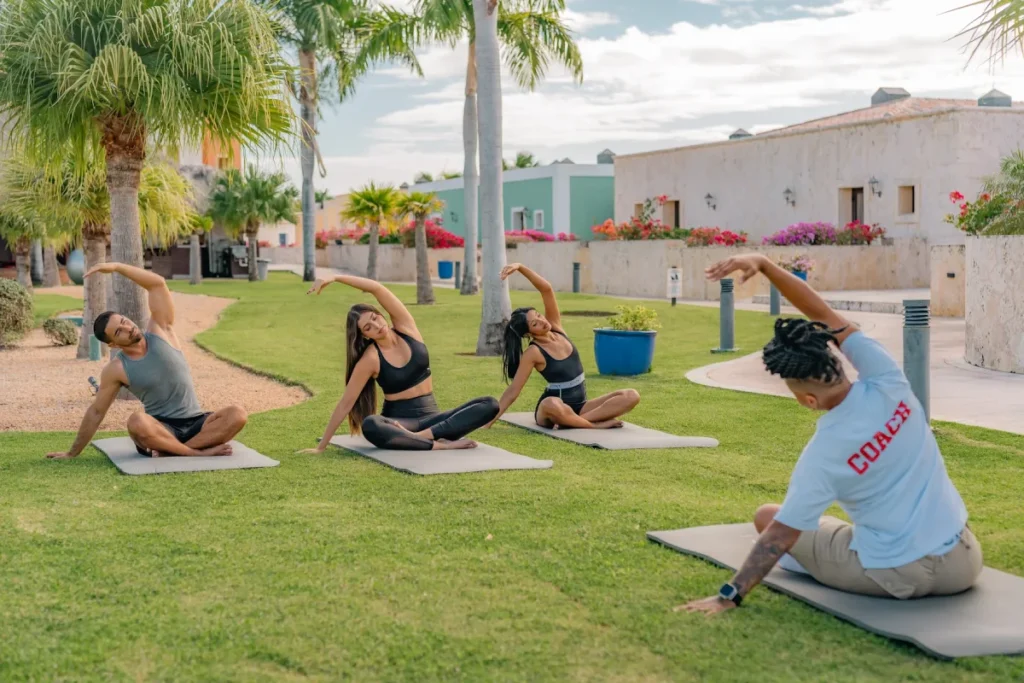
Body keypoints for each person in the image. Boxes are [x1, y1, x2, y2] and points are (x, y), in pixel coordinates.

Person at [679, 253, 981, 615]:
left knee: (766, 516)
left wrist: (730, 594)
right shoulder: (887, 378)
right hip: (963, 562)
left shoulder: (823, 454)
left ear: (808, 400)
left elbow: (779, 534)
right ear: (837, 359)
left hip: (896, 576)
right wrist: (764, 263)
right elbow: (823, 314)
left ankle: (819, 561)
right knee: (816, 524)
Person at [46, 262, 248, 460]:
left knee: (237, 414)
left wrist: (116, 267)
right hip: (161, 429)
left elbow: (157, 284)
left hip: (197, 423)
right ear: (114, 345)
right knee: (136, 422)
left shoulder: (161, 329)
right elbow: (97, 412)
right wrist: (72, 453)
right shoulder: (116, 368)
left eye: (124, 321)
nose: (128, 328)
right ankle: (195, 452)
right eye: (119, 332)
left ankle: (176, 451)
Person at [300, 274, 499, 453]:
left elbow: (377, 289)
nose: (377, 326)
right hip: (400, 422)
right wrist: (321, 447)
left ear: (380, 313)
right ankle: (437, 443)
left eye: (375, 318)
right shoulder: (371, 359)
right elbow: (346, 403)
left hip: (434, 419)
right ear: (364, 336)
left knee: (489, 404)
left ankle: (421, 439)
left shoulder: (406, 327)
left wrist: (335, 277)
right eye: (368, 327)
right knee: (371, 424)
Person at [492, 263, 640, 430]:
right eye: (535, 323)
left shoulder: (556, 327)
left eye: (539, 316)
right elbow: (513, 391)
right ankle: (593, 426)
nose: (542, 321)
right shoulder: (533, 352)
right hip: (553, 410)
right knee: (551, 404)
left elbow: (546, 289)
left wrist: (520, 267)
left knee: (631, 395)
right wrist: (489, 421)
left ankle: (578, 421)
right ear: (528, 334)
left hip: (581, 407)